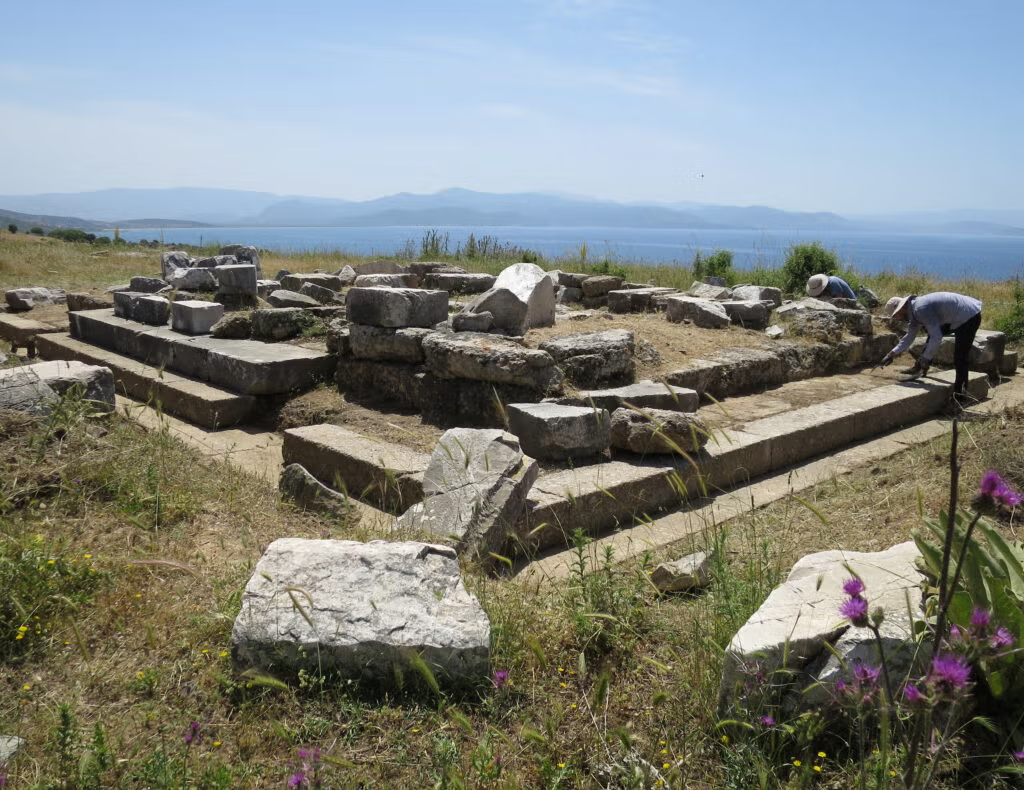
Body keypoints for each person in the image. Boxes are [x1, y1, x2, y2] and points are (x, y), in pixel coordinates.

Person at [878, 292, 983, 396]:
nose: (898, 319)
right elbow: (909, 336)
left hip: (969, 316)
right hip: (960, 312)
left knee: (960, 357)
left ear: (902, 309)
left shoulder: (920, 309)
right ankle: (919, 367)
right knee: (932, 331)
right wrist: (891, 354)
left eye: (897, 315)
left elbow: (937, 337)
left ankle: (960, 394)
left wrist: (926, 357)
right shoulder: (914, 311)